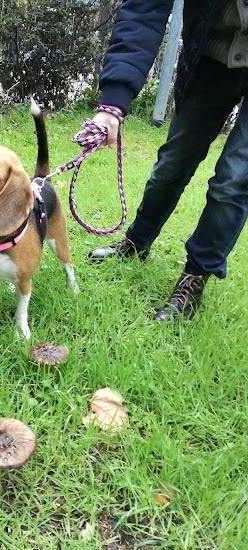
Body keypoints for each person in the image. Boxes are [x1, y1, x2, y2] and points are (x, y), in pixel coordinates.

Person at [87, 0, 248, 322]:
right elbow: (145, 11)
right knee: (173, 162)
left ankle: (195, 277)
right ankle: (137, 242)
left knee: (235, 178)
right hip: (211, 59)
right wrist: (114, 103)